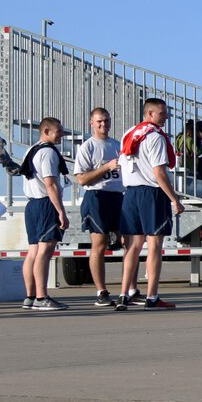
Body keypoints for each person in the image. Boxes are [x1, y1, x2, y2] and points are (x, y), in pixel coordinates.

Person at [117, 97, 183, 309]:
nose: (166, 117)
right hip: (151, 193)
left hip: (131, 192)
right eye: (162, 113)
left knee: (133, 246)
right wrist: (174, 198)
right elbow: (159, 172)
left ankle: (124, 293)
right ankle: (152, 296)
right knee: (155, 245)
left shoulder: (129, 133)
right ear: (150, 114)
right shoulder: (155, 137)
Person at [71, 106, 123, 305]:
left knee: (129, 242)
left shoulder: (118, 145)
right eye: (100, 121)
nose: (104, 124)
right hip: (97, 197)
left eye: (107, 120)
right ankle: (101, 291)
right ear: (92, 123)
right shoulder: (88, 147)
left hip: (118, 196)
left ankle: (129, 289)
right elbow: (82, 179)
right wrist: (106, 167)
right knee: (99, 244)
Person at [19, 118, 70, 311]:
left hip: (32, 205)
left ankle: (30, 297)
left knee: (33, 251)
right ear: (46, 131)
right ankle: (42, 297)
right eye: (58, 131)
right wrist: (60, 211)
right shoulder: (48, 152)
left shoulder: (31, 149)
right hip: (45, 204)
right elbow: (50, 183)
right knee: (45, 251)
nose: (62, 135)